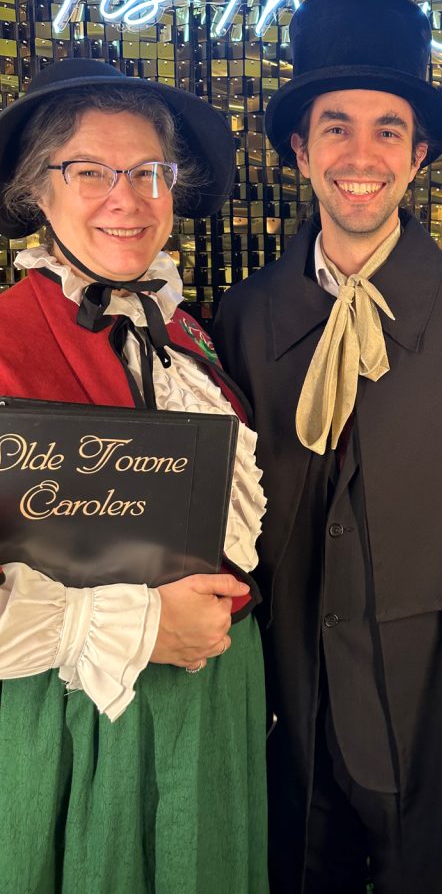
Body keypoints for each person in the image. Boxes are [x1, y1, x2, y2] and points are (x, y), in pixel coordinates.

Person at [212, 0, 442, 894]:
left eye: (387, 129)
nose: (361, 155)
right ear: (298, 148)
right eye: (335, 126)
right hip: (290, 707)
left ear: (419, 152)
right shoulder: (245, 317)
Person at [0, 59, 268, 893]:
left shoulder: (186, 332)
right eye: (89, 171)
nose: (128, 197)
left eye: (150, 173)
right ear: (36, 192)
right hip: (73, 714)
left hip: (214, 699)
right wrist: (135, 628)